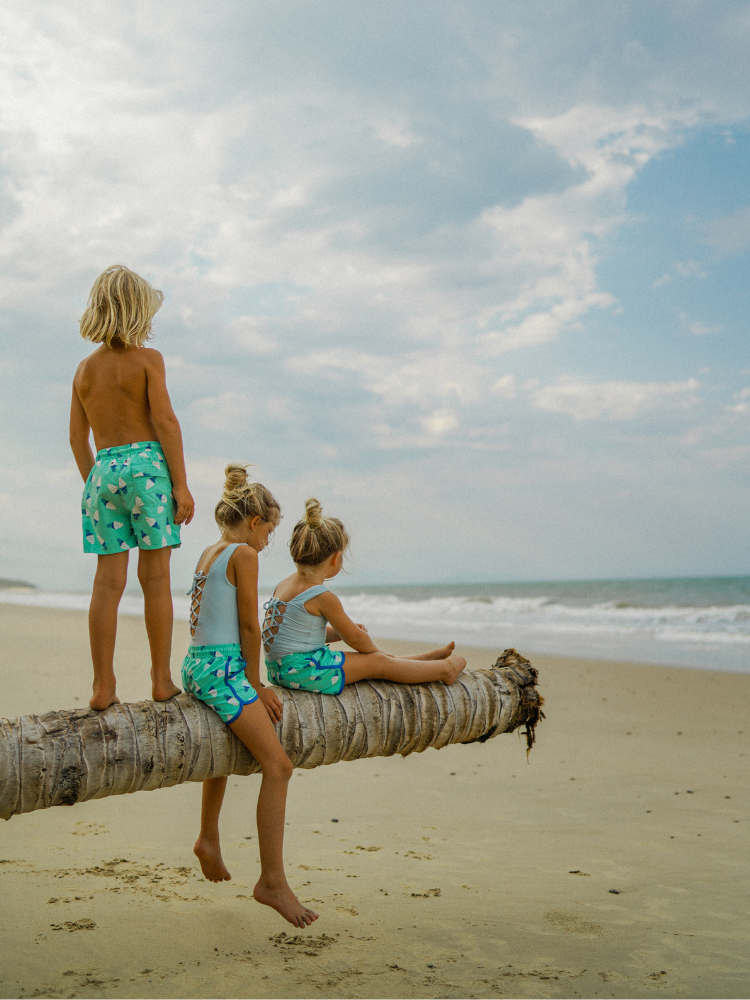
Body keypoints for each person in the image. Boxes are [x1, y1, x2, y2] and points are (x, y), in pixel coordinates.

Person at [184, 464, 318, 929]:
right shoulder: (244, 553)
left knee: (224, 748)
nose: (268, 542)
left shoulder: (209, 550)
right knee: (278, 765)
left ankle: (207, 836)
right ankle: (272, 882)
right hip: (223, 668)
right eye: (271, 531)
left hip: (198, 664)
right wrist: (257, 684)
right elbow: (247, 626)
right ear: (255, 523)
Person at [69, 264, 194, 710]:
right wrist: (180, 484)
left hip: (102, 470)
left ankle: (103, 687)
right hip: (146, 469)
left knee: (107, 585)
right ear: (138, 312)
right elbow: (165, 421)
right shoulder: (147, 361)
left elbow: (75, 439)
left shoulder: (84, 371)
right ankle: (161, 680)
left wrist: (97, 485)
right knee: (156, 577)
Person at [263, 499, 466, 693]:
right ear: (336, 558)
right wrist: (374, 650)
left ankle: (422, 660)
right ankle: (444, 670)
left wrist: (339, 632)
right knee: (378, 663)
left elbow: (298, 634)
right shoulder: (321, 595)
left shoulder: (284, 584)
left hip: (280, 670)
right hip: (303, 670)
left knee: (375, 662)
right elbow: (355, 639)